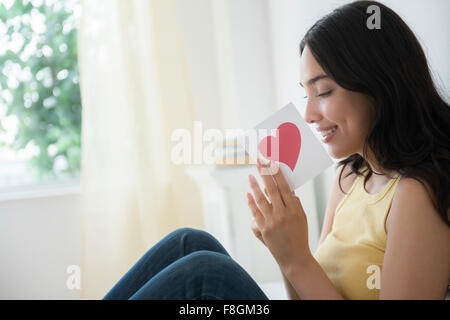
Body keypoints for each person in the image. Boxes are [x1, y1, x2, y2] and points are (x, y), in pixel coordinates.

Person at [104, 0, 450, 300]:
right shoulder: (350, 175)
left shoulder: (416, 192)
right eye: (306, 95)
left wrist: (296, 257)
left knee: (207, 273)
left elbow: (302, 266)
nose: (310, 115)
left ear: (379, 83)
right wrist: (281, 250)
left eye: (324, 92)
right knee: (188, 242)